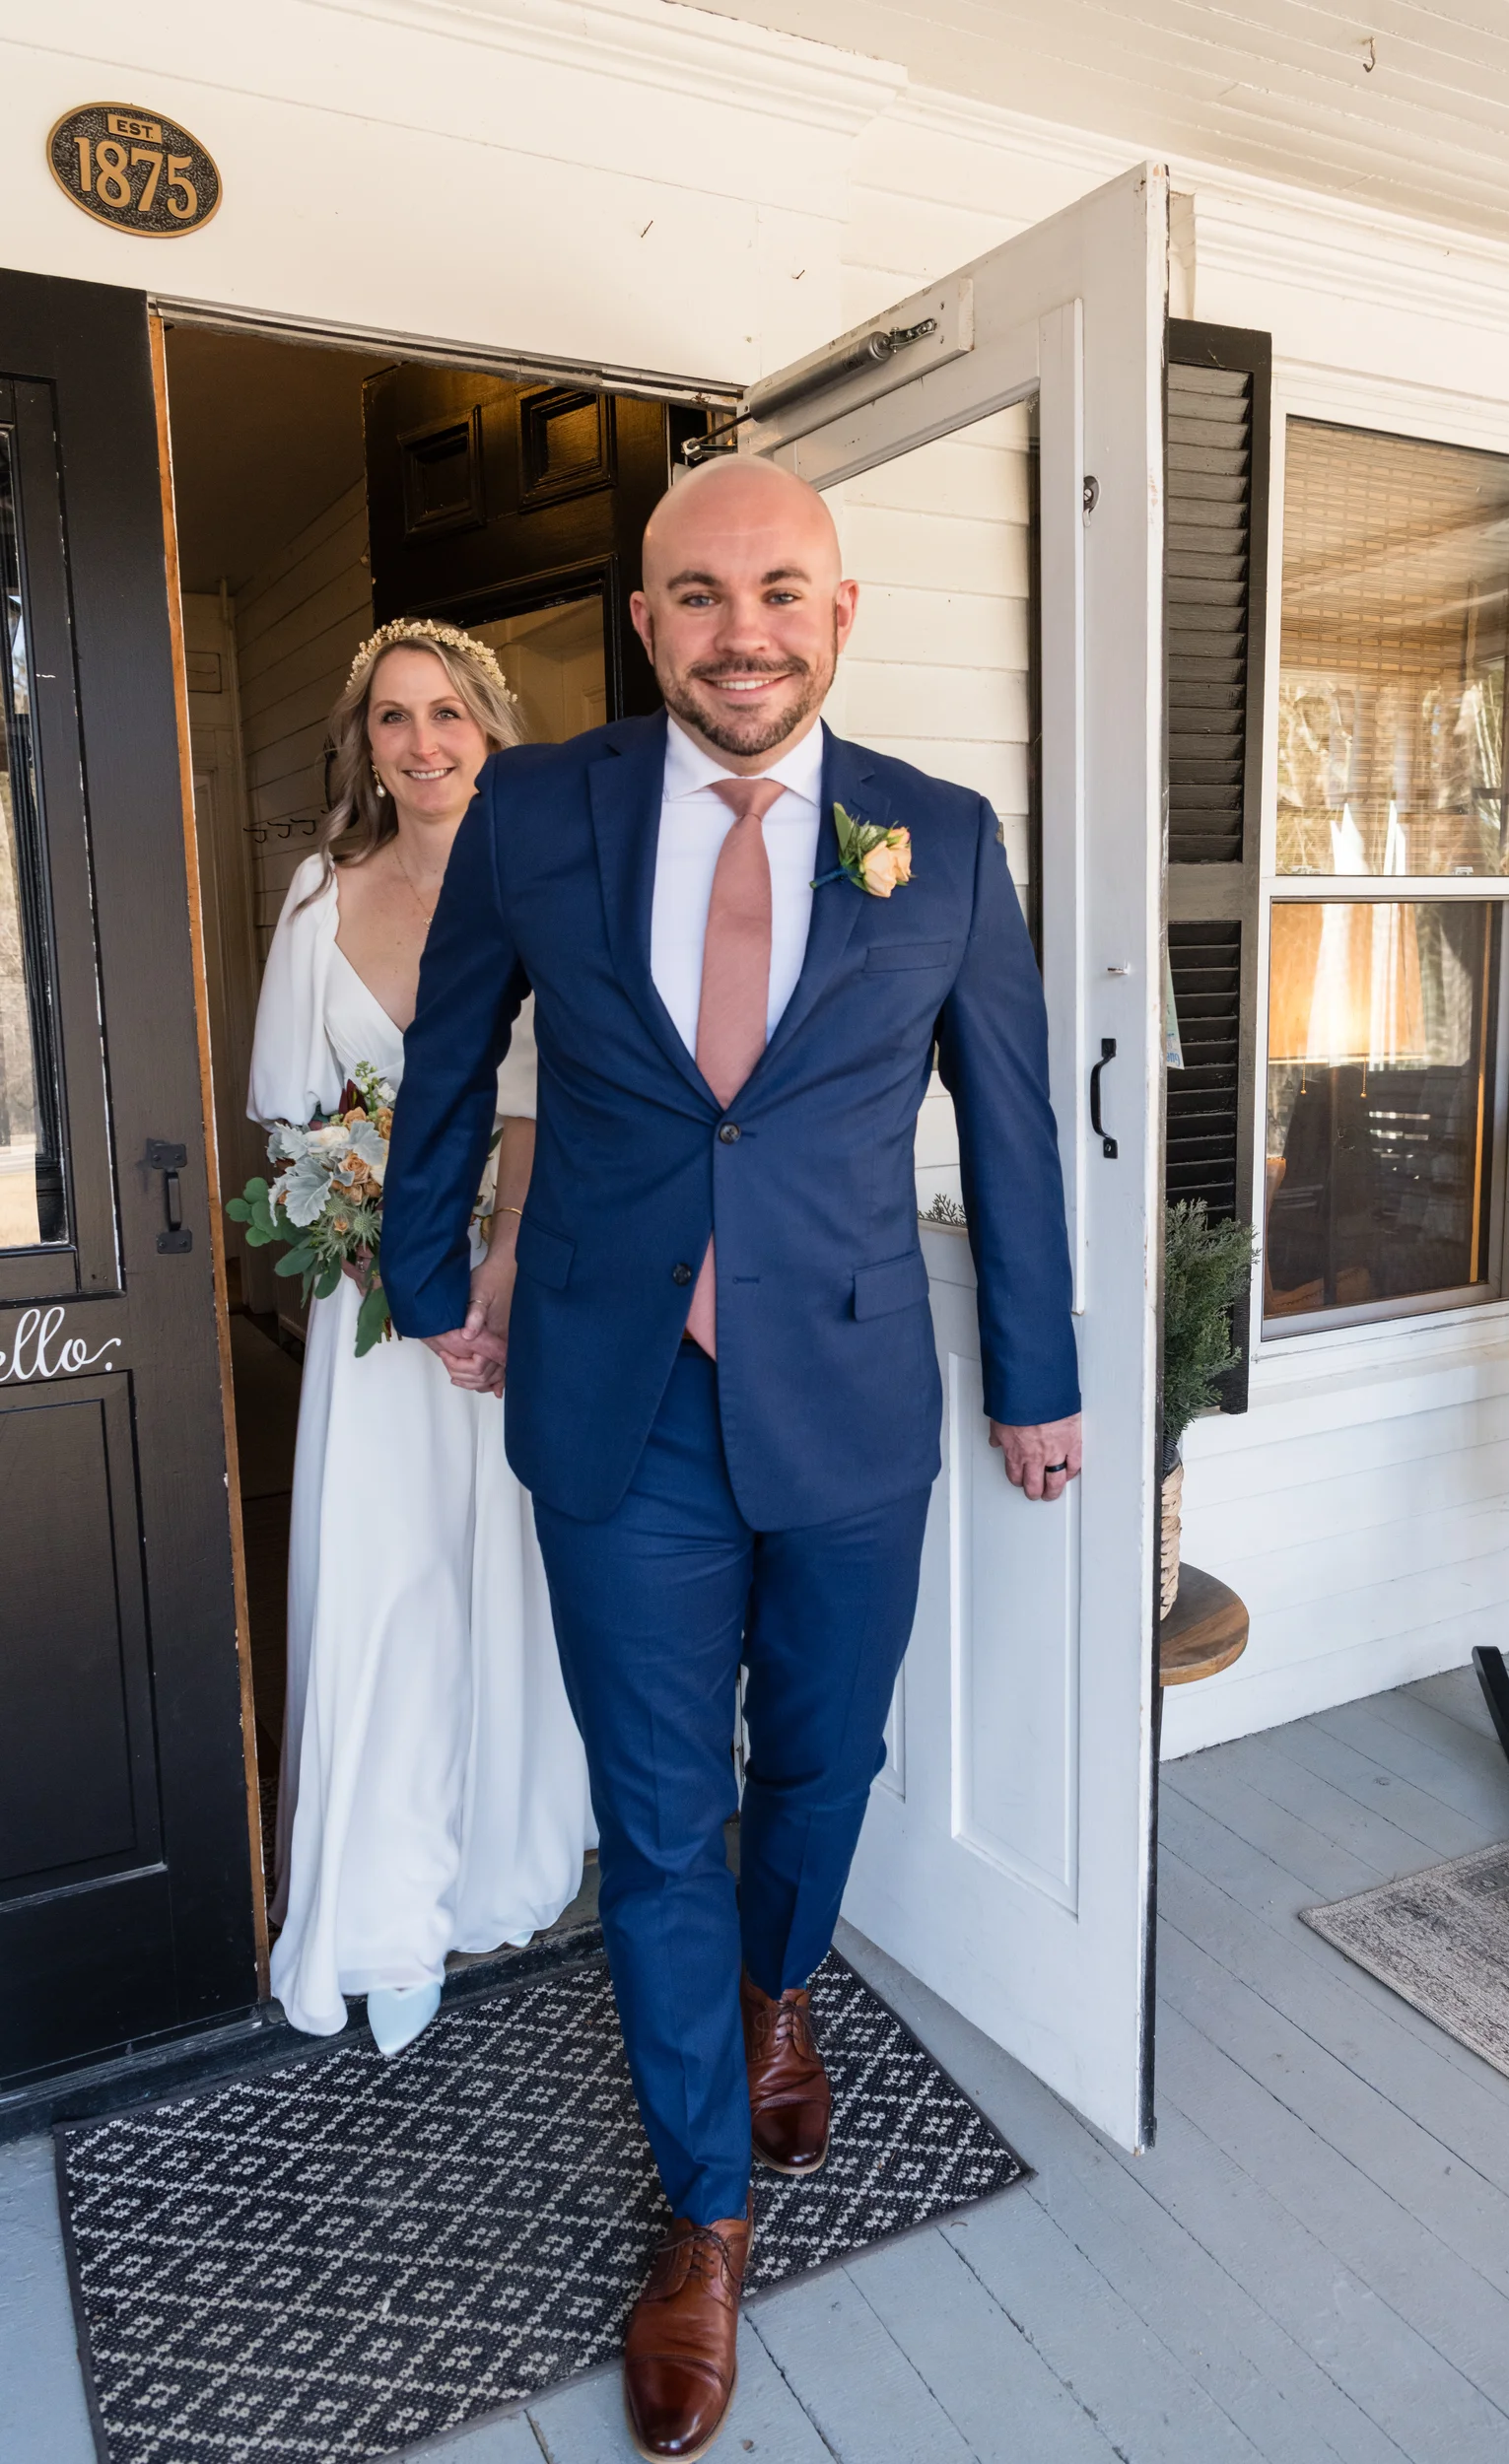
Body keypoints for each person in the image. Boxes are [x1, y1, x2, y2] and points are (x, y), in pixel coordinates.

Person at [380, 463, 1080, 2459]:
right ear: (643, 620)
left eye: (780, 590)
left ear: (839, 612)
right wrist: (426, 1275)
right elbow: (450, 1054)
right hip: (617, 1401)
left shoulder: (941, 835)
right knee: (660, 1816)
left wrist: (1035, 1376)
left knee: (825, 1760)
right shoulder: (538, 810)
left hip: (849, 1394)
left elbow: (1009, 1123)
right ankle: (703, 2215)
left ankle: (781, 1995)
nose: (740, 630)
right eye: (697, 594)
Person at [248, 618, 593, 2058]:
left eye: (447, 713)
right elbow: (289, 1115)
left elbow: (548, 1100)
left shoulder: (548, 888)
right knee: (387, 1584)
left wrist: (495, 1267)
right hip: (371, 1311)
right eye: (394, 717)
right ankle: (380, 1900)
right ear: (366, 746)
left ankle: (498, 1854)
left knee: (498, 1573)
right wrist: (361, 1233)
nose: (423, 742)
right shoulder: (320, 896)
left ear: (491, 732)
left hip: (507, 1288)